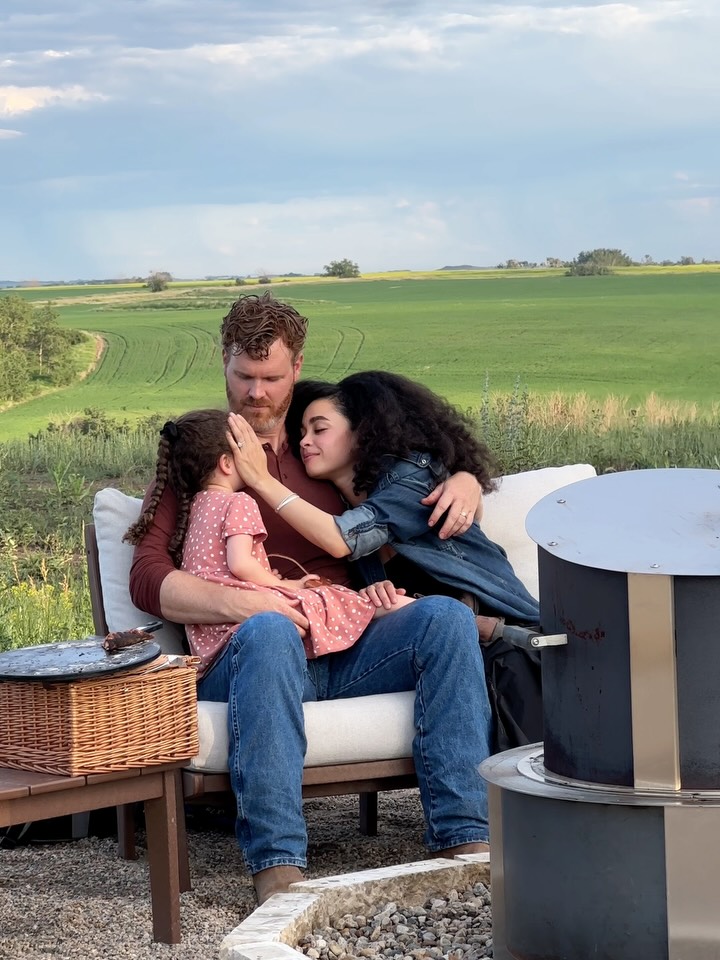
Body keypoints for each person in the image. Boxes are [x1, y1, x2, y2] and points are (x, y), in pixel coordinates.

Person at [128, 292, 493, 904]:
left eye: (272, 378)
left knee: (445, 620)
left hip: (342, 647)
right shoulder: (203, 457)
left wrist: (464, 478)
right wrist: (255, 606)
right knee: (271, 633)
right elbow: (146, 577)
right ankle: (278, 865)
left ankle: (465, 841)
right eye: (243, 376)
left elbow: (412, 464)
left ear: (297, 367)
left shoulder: (320, 442)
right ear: (223, 363)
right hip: (251, 656)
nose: (256, 393)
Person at [226, 371, 544, 750]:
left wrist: (261, 479)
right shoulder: (339, 506)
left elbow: (344, 539)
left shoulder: (410, 479)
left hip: (510, 637)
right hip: (442, 644)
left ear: (362, 433)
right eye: (302, 433)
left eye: (320, 429)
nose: (306, 441)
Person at [124, 408, 411, 675]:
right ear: (227, 463)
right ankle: (395, 606)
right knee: (330, 598)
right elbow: (240, 564)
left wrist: (262, 574)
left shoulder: (194, 507)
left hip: (207, 641)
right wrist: (283, 584)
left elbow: (219, 564)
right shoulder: (239, 501)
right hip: (251, 627)